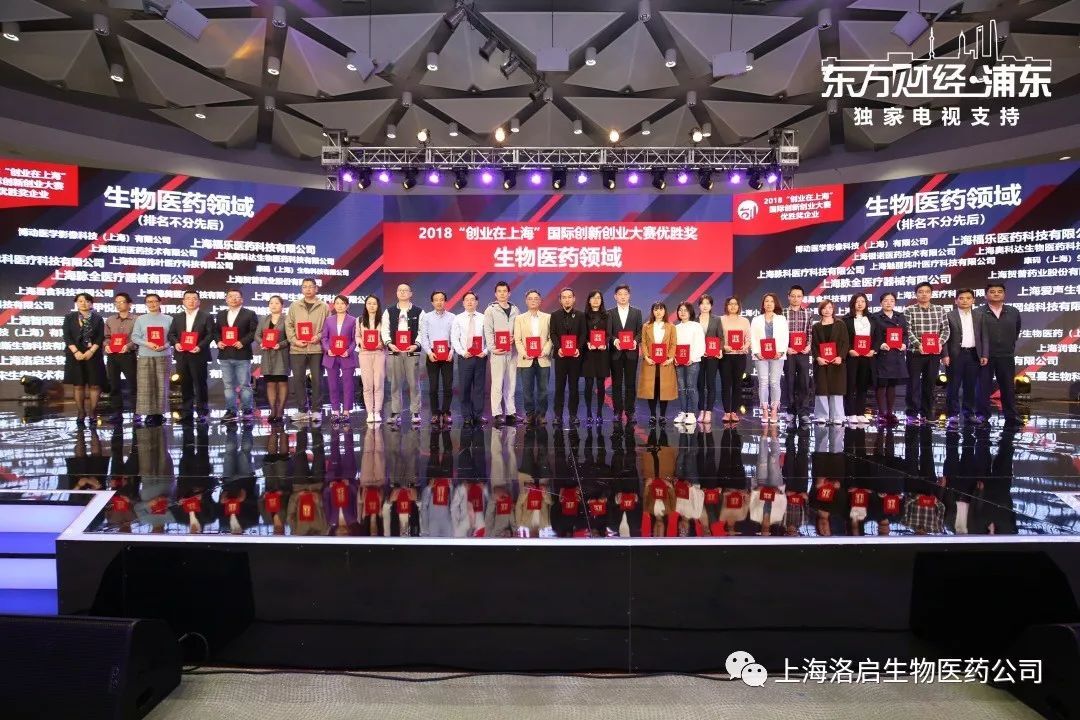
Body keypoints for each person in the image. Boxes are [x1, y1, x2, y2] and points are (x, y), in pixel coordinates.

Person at [977, 281, 1022, 427]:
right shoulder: (978, 312)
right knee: (983, 387)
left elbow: (1016, 331)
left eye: (999, 291)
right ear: (986, 295)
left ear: (1004, 294)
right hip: (985, 356)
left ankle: (1011, 415)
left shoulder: (1013, 311)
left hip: (1006, 355)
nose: (996, 294)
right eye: (992, 291)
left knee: (1008, 387)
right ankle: (982, 415)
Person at [943, 288, 989, 428]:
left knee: (970, 386)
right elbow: (943, 337)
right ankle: (953, 414)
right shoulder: (948, 315)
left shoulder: (979, 315)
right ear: (956, 300)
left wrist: (984, 354)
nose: (965, 301)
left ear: (973, 300)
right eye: (961, 298)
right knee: (953, 386)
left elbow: (984, 336)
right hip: (955, 355)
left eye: (968, 298)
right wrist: (945, 354)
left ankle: (968, 413)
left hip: (973, 354)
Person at [285, 278, 329, 423]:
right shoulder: (294, 305)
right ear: (302, 289)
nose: (308, 289)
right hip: (297, 349)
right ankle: (302, 410)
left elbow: (328, 327)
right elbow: (289, 325)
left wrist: (318, 337)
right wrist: (295, 340)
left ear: (316, 289)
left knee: (317, 380)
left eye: (311, 287)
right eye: (305, 287)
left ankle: (316, 410)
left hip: (316, 349)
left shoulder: (323, 306)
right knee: (298, 380)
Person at [905, 281, 950, 423]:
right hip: (915, 353)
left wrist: (939, 343)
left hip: (933, 354)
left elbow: (945, 329)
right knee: (913, 384)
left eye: (927, 292)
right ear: (916, 294)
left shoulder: (939, 309)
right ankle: (912, 413)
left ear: (931, 294)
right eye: (920, 292)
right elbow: (907, 331)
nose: (924, 294)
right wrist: (918, 345)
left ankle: (927, 412)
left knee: (930, 384)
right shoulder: (909, 310)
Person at [167, 289, 213, 423]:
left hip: (198, 354)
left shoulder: (206, 316)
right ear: (183, 301)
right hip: (182, 355)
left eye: (194, 298)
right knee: (185, 384)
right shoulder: (177, 317)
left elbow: (210, 334)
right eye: (188, 298)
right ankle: (187, 411)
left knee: (200, 384)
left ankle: (202, 412)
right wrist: (176, 343)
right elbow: (171, 334)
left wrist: (200, 346)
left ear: (199, 301)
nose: (191, 301)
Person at [381, 282, 423, 426]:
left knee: (414, 383)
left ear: (411, 294)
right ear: (397, 293)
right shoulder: (389, 311)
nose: (403, 292)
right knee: (395, 383)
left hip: (412, 352)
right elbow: (384, 330)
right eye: (400, 290)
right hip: (395, 351)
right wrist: (389, 344)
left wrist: (416, 344)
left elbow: (422, 331)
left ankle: (415, 411)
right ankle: (395, 411)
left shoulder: (419, 311)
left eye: (406, 290)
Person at [215, 287, 258, 423]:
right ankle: (231, 410)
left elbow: (254, 332)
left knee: (244, 385)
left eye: (237, 296)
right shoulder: (221, 314)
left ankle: (247, 410)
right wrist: (218, 341)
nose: (233, 299)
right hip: (225, 355)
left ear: (242, 299)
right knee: (228, 385)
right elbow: (216, 332)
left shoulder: (249, 314)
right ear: (226, 299)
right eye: (230, 296)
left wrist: (243, 342)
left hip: (242, 354)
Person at [63, 292, 106, 425]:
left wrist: (91, 351)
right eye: (80, 301)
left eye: (87, 301)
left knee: (94, 384)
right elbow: (67, 336)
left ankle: (93, 412)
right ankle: (81, 412)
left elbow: (100, 336)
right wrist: (76, 351)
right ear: (76, 303)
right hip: (75, 354)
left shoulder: (98, 318)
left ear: (91, 303)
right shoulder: (69, 317)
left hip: (93, 354)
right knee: (79, 385)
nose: (84, 303)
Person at [130, 293, 171, 426]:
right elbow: (135, 337)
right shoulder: (140, 319)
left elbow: (173, 337)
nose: (152, 304)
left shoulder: (169, 319)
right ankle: (149, 413)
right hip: (145, 355)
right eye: (149, 302)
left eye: (155, 301)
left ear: (160, 303)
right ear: (146, 304)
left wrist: (165, 345)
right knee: (145, 385)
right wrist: (147, 343)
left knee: (162, 385)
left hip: (163, 355)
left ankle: (160, 413)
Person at [513, 289, 552, 426]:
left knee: (543, 390)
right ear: (526, 301)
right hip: (526, 359)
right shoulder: (519, 318)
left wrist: (545, 351)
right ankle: (529, 414)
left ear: (540, 301)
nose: (533, 301)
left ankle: (541, 414)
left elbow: (550, 338)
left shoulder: (548, 317)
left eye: (536, 298)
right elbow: (517, 340)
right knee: (527, 390)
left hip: (543, 358)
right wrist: (524, 353)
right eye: (530, 298)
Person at [483, 281, 520, 426]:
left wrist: (515, 338)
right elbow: (488, 331)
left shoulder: (515, 309)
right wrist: (492, 348)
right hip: (498, 352)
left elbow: (518, 329)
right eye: (499, 291)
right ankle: (497, 413)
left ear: (509, 293)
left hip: (512, 351)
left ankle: (511, 412)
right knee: (497, 383)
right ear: (495, 294)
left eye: (505, 291)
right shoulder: (490, 310)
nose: (502, 294)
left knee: (511, 382)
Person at [418, 290, 456, 426]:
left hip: (448, 354)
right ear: (432, 302)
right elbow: (424, 337)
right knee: (433, 386)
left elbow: (455, 336)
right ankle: (435, 412)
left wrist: (452, 351)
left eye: (441, 299)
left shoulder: (452, 317)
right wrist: (429, 352)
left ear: (445, 301)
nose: (439, 302)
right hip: (432, 354)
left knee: (448, 386)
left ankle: (446, 412)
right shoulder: (426, 317)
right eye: (436, 300)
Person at [550, 287, 586, 427]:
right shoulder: (555, 315)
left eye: (569, 297)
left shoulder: (580, 315)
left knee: (573, 387)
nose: (567, 300)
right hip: (561, 356)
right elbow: (553, 334)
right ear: (560, 300)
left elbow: (583, 334)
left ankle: (573, 415)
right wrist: (559, 348)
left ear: (574, 299)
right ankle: (558, 415)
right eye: (564, 297)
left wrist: (578, 348)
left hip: (575, 356)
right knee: (559, 386)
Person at [871, 291, 909, 425]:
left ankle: (890, 413)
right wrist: (880, 345)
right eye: (885, 300)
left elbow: (905, 334)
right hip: (882, 355)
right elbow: (871, 335)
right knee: (882, 384)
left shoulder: (900, 316)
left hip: (897, 355)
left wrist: (904, 344)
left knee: (892, 384)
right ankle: (881, 413)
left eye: (891, 300)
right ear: (881, 303)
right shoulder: (875, 317)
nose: (888, 303)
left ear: (895, 303)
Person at [750, 293, 789, 425]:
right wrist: (756, 352)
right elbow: (753, 337)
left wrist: (781, 351)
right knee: (763, 382)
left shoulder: (781, 319)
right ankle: (765, 410)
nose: (769, 303)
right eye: (766, 301)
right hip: (760, 354)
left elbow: (785, 336)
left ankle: (774, 410)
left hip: (777, 354)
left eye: (772, 301)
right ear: (763, 304)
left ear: (775, 304)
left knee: (774, 382)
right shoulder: (756, 320)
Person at [451, 291, 487, 427]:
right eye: (467, 300)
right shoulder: (458, 318)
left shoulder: (484, 318)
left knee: (479, 387)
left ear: (477, 302)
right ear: (463, 303)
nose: (470, 302)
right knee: (465, 387)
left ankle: (478, 415)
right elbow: (454, 338)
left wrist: (485, 351)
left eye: (473, 299)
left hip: (480, 357)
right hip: (465, 357)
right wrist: (461, 352)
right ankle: (466, 415)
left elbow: (490, 337)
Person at [608, 284, 643, 424]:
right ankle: (617, 412)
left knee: (630, 383)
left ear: (629, 296)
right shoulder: (609, 313)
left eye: (625, 294)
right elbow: (608, 333)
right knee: (616, 383)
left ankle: (630, 411)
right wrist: (615, 340)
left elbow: (640, 331)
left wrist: (635, 341)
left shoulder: (637, 312)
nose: (623, 297)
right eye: (620, 294)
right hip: (615, 353)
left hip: (631, 353)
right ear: (615, 296)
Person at [638, 301, 676, 426]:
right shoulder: (646, 326)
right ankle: (653, 415)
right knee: (652, 389)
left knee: (663, 389)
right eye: (656, 309)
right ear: (652, 312)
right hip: (651, 362)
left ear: (665, 311)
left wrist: (670, 358)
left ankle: (663, 416)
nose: (658, 312)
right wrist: (646, 357)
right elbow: (643, 343)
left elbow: (673, 343)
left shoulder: (671, 326)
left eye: (661, 309)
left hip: (665, 363)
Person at [811, 299, 849, 425]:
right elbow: (813, 345)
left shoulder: (840, 324)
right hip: (821, 362)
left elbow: (845, 342)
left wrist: (840, 357)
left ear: (833, 309)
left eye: (830, 308)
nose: (827, 310)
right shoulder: (816, 326)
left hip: (837, 362)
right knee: (821, 388)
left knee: (837, 388)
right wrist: (818, 358)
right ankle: (822, 415)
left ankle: (837, 416)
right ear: (820, 310)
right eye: (824, 308)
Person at [322, 295, 358, 424]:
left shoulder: (353, 320)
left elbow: (355, 339)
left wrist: (348, 351)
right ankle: (335, 411)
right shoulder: (328, 320)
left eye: (342, 303)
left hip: (346, 356)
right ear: (334, 305)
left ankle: (346, 411)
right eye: (337, 303)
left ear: (347, 305)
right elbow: (324, 338)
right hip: (331, 356)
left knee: (348, 384)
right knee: (333, 385)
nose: (339, 306)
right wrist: (328, 349)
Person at [103, 292, 138, 423]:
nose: (118, 304)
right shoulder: (110, 320)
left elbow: (139, 337)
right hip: (112, 356)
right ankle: (117, 412)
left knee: (133, 384)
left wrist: (128, 346)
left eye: (121, 302)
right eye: (116, 302)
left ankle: (136, 412)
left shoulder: (137, 319)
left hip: (128, 355)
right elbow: (106, 337)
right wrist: (106, 345)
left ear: (129, 304)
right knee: (114, 384)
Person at [782, 285, 814, 423]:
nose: (796, 299)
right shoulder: (782, 313)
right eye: (793, 296)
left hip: (803, 352)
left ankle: (804, 412)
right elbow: (780, 334)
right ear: (788, 297)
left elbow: (810, 332)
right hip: (789, 352)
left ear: (802, 298)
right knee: (789, 381)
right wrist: (785, 348)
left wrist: (808, 346)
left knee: (804, 381)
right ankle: (790, 410)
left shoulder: (808, 313)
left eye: (799, 296)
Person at [256, 295, 290, 424]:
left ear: (282, 306)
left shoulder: (287, 319)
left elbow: (290, 337)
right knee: (270, 383)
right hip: (267, 355)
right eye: (271, 303)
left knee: (281, 382)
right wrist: (262, 343)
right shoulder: (263, 319)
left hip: (281, 354)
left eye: (277, 303)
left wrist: (280, 344)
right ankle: (272, 410)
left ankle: (280, 410)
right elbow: (257, 335)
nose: (274, 305)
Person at [842, 293, 874, 424]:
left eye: (862, 301)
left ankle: (860, 412)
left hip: (867, 356)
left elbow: (877, 336)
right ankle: (850, 413)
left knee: (863, 385)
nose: (860, 304)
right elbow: (843, 338)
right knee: (850, 385)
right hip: (852, 356)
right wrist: (850, 350)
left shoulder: (872, 318)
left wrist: (873, 350)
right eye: (857, 301)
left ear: (866, 303)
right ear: (852, 303)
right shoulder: (846, 319)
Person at [673, 301, 706, 426]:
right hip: (679, 362)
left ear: (690, 312)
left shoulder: (696, 326)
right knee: (681, 388)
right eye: (680, 310)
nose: (682, 312)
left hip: (693, 361)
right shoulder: (676, 328)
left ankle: (692, 413)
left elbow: (700, 345)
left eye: (685, 310)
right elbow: (673, 345)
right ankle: (683, 412)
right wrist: (675, 357)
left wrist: (691, 358)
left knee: (691, 387)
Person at [582, 290, 611, 424]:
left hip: (602, 353)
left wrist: (604, 343)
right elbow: (582, 333)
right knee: (588, 384)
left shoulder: (607, 315)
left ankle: (599, 411)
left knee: (600, 384)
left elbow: (609, 333)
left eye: (598, 298)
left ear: (601, 300)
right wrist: (587, 343)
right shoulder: (584, 316)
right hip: (589, 353)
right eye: (593, 297)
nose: (595, 300)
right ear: (589, 300)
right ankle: (588, 411)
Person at [719, 296, 750, 423]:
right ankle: (727, 412)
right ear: (726, 306)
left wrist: (745, 346)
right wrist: (724, 347)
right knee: (726, 385)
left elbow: (748, 338)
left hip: (740, 356)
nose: (733, 306)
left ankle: (734, 412)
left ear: (739, 306)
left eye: (735, 304)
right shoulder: (720, 320)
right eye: (730, 304)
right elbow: (718, 338)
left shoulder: (745, 321)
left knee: (737, 385)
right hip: (726, 356)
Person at [357, 294, 386, 424]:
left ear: (378, 305)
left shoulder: (383, 320)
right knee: (367, 385)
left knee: (378, 384)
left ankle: (377, 412)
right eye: (369, 303)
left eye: (374, 303)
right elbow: (357, 336)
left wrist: (382, 343)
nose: (371, 306)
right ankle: (369, 412)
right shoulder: (359, 320)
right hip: (365, 354)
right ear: (365, 305)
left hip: (379, 354)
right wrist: (360, 343)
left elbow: (387, 336)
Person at [695, 294, 723, 424]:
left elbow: (720, 337)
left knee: (711, 384)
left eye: (707, 303)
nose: (705, 306)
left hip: (712, 356)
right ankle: (701, 410)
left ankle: (709, 412)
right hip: (698, 356)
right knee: (700, 384)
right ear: (699, 305)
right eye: (702, 303)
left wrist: (720, 350)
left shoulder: (716, 319)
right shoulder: (694, 320)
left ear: (711, 305)